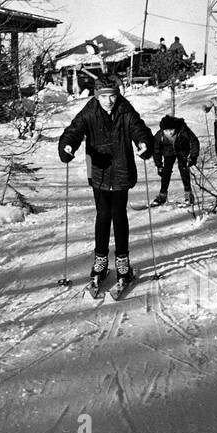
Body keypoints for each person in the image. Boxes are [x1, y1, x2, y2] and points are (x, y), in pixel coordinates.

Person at [58, 75, 155, 288]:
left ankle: (123, 262)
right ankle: (100, 261)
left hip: (121, 170)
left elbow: (139, 128)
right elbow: (74, 131)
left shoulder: (125, 110)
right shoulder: (89, 111)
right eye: (104, 96)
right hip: (99, 172)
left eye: (112, 96)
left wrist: (144, 142)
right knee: (102, 215)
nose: (109, 101)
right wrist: (68, 145)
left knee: (118, 215)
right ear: (97, 96)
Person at [152, 114, 200, 206]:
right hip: (168, 151)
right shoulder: (159, 135)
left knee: (183, 169)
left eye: (171, 130)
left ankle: (188, 194)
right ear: (162, 130)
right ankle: (162, 196)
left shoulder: (182, 130)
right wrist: (159, 165)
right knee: (166, 171)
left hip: (182, 149)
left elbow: (194, 141)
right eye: (166, 130)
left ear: (175, 128)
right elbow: (156, 150)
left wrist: (193, 157)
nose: (169, 133)